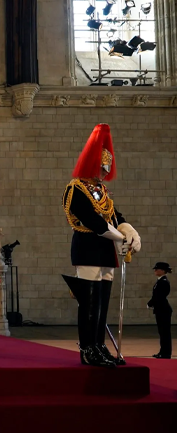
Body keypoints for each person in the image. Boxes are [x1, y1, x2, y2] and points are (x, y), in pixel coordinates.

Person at [61, 124, 141, 368]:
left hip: (105, 251)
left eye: (108, 167)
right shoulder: (75, 189)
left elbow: (115, 216)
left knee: (102, 303)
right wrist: (120, 238)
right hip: (87, 246)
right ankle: (87, 348)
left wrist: (129, 231)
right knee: (89, 303)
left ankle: (98, 345)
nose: (106, 172)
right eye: (102, 167)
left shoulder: (101, 191)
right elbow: (95, 223)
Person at [149, 262, 172, 359]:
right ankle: (163, 352)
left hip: (163, 310)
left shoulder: (163, 282)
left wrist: (150, 303)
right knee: (162, 333)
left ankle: (166, 353)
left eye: (157, 269)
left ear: (162, 271)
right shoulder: (160, 281)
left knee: (165, 333)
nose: (155, 270)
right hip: (161, 309)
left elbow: (159, 296)